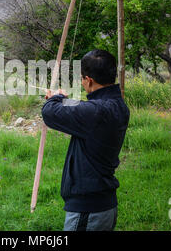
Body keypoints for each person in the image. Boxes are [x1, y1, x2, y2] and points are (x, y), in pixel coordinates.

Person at [42, 49, 130, 231]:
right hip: (103, 207)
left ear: (89, 80)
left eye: (82, 78)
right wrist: (62, 99)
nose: (82, 83)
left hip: (88, 211)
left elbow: (49, 113)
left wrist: (55, 99)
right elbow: (86, 107)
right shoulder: (118, 105)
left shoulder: (96, 112)